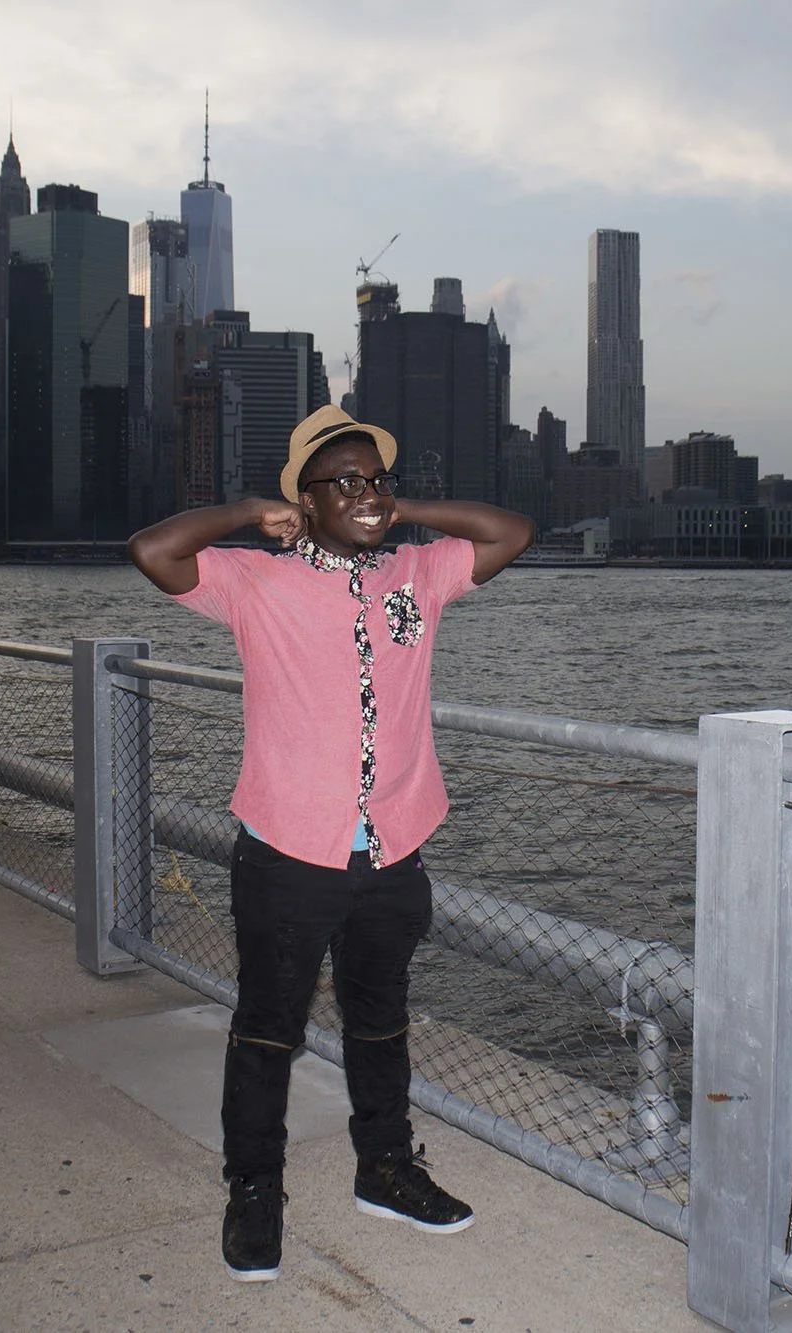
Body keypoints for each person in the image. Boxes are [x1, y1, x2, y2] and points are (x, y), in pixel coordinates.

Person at [126, 404, 534, 1283]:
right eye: (344, 482)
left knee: (380, 1020)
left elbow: (512, 531)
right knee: (269, 1029)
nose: (367, 493)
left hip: (392, 850)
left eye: (376, 478)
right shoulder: (254, 581)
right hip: (286, 852)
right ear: (302, 503)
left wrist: (407, 508)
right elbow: (153, 551)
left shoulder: (417, 574)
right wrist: (245, 511)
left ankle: (384, 1168)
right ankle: (254, 1190)